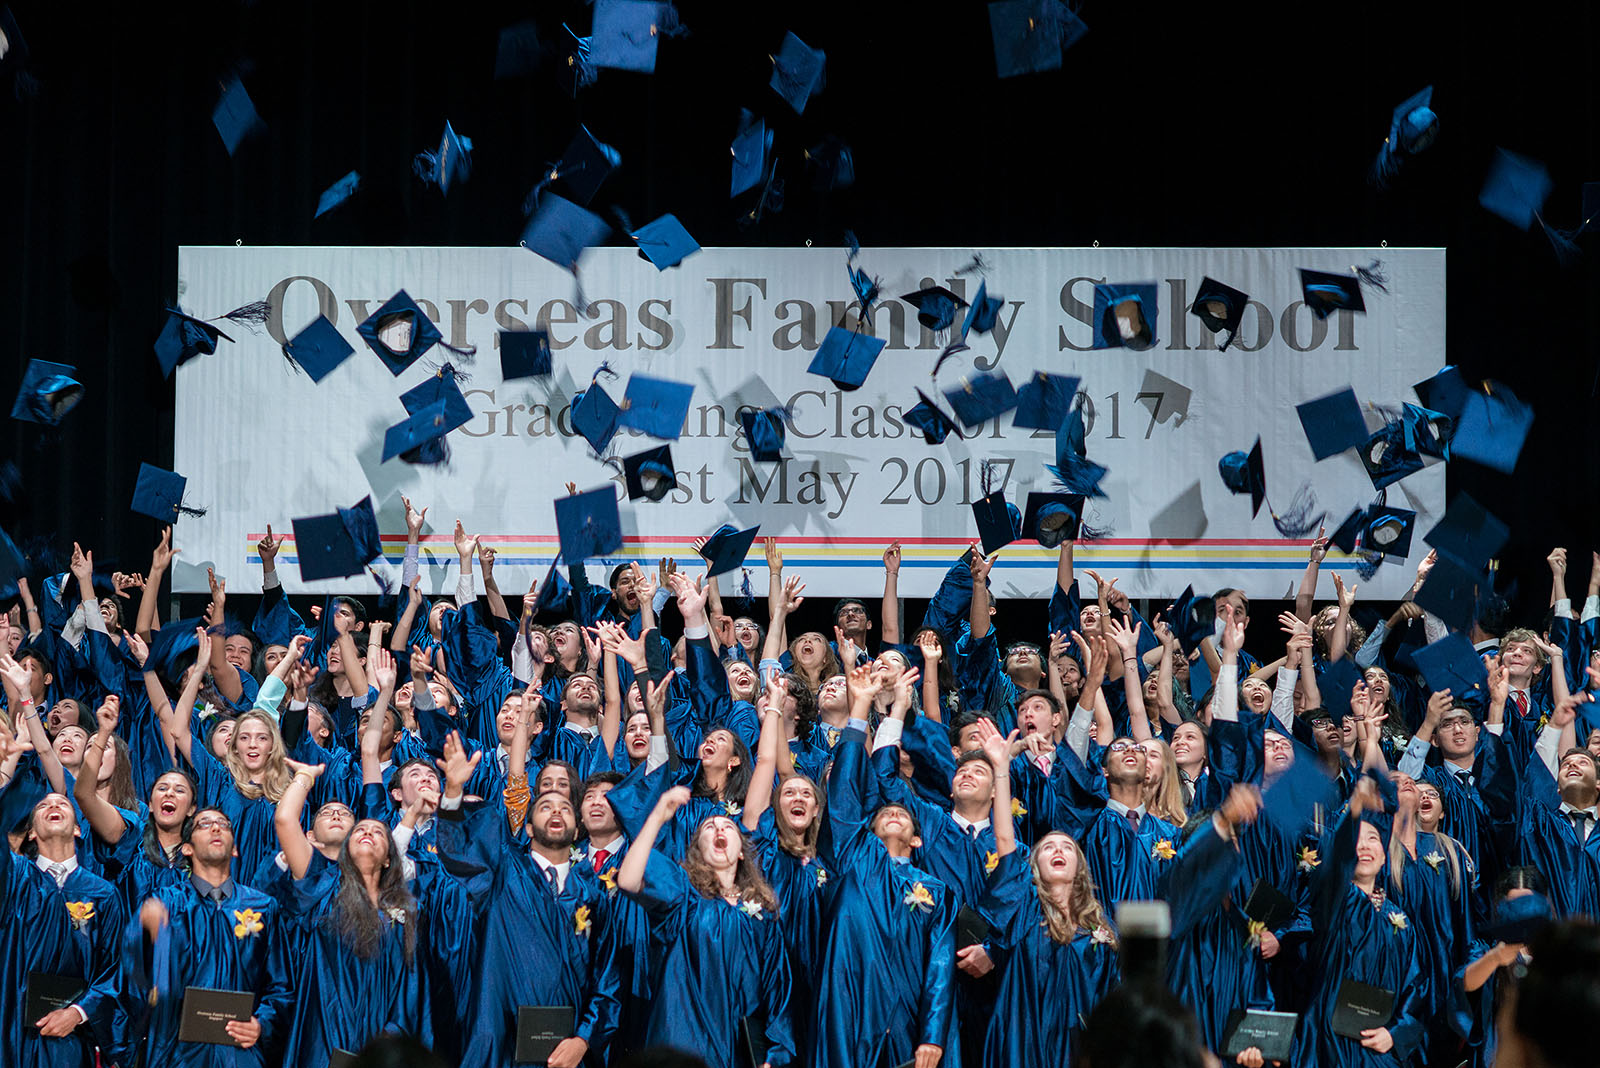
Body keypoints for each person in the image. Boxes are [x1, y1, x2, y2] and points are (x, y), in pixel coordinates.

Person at [435, 730, 622, 1068]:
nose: (556, 811)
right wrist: (452, 793)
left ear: (577, 829)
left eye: (565, 807)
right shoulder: (501, 873)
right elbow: (456, 851)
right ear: (530, 828)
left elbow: (607, 977)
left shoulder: (593, 893)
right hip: (500, 1043)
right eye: (545, 805)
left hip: (566, 1053)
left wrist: (583, 1039)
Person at [813, 663, 957, 1068]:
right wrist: (860, 706)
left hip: (907, 1019)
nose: (893, 813)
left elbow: (941, 966)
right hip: (849, 1008)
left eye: (903, 815)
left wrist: (932, 1035)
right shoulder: (854, 858)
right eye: (883, 814)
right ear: (868, 829)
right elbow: (843, 790)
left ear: (917, 838)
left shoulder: (939, 891)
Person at [617, 783, 794, 1068]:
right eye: (709, 828)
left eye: (728, 826)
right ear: (698, 849)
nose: (720, 830)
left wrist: (775, 1055)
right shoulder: (683, 895)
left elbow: (778, 989)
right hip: (681, 1041)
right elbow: (627, 880)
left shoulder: (762, 914)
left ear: (740, 852)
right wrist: (658, 816)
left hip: (738, 1049)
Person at [125, 807, 293, 1066]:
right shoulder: (166, 904)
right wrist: (143, 933)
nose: (216, 828)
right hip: (178, 1054)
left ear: (235, 849)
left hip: (239, 1053)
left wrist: (261, 1024)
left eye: (223, 824)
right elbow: (137, 980)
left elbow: (281, 986)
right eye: (204, 824)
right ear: (187, 849)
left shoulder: (263, 907)